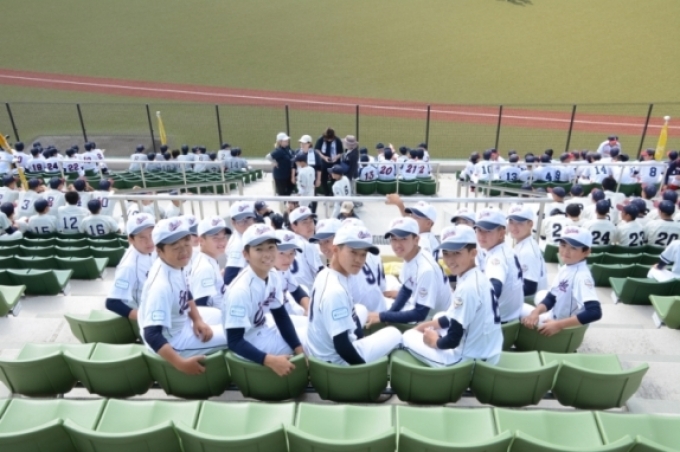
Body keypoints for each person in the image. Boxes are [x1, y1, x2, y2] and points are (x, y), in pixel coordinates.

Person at [402, 225, 503, 367]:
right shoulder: (477, 276)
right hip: (490, 354)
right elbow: (450, 317)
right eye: (446, 253)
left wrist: (435, 341)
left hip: (468, 363)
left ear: (473, 253)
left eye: (456, 253)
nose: (450, 260)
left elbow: (453, 340)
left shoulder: (467, 288)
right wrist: (424, 325)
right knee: (439, 317)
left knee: (407, 336)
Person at [139, 218, 227, 375]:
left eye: (186, 243)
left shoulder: (176, 263)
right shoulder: (161, 286)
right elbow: (151, 334)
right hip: (173, 341)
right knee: (238, 334)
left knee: (225, 316)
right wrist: (180, 364)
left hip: (180, 319)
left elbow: (186, 291)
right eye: (175, 246)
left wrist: (197, 319)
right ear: (159, 251)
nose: (184, 251)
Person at [306, 224, 403, 365]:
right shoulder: (336, 291)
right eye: (353, 252)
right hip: (337, 362)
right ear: (335, 249)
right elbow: (342, 346)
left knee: (360, 309)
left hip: (319, 351)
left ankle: (360, 342)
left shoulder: (326, 273)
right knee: (395, 333)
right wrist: (361, 369)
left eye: (363, 254)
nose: (359, 260)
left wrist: (360, 338)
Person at [224, 224, 306, 376]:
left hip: (263, 328)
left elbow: (281, 316)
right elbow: (234, 341)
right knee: (313, 340)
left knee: (311, 327)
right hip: (249, 343)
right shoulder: (240, 291)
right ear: (246, 254)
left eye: (271, 247)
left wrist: (299, 349)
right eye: (259, 249)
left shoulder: (272, 274)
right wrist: (270, 361)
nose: (267, 254)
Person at [365, 217, 449, 326]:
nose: (397, 244)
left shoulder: (426, 269)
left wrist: (382, 317)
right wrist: (389, 314)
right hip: (427, 313)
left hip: (437, 321)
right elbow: (406, 289)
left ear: (416, 240)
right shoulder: (411, 255)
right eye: (394, 239)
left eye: (403, 239)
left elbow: (420, 314)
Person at [521, 226, 602, 335]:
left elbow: (595, 312)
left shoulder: (581, 276)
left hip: (562, 328)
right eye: (563, 245)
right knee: (541, 295)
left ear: (586, 252)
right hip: (556, 316)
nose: (566, 251)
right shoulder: (568, 266)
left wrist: (558, 325)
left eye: (573, 248)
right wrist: (535, 312)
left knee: (516, 308)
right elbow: (551, 297)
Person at [474, 208, 523, 323]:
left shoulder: (496, 258)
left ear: (501, 233)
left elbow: (495, 288)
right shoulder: (507, 250)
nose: (482, 235)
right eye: (479, 230)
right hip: (511, 317)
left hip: (497, 322)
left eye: (488, 231)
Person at [105, 213, 156, 320]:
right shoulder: (129, 267)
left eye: (152, 235)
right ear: (131, 239)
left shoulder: (151, 248)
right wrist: (144, 319)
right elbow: (112, 302)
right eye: (142, 237)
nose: (149, 241)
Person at [190, 217, 231, 311]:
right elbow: (201, 308)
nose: (222, 242)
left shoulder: (210, 260)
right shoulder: (205, 267)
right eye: (215, 238)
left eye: (224, 237)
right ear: (201, 240)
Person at [507, 205, 547, 298]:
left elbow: (529, 288)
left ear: (530, 224)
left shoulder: (527, 251)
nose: (514, 227)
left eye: (520, 223)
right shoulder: (525, 243)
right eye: (511, 222)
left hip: (530, 300)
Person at [385, 195, 439, 259]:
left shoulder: (423, 241)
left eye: (416, 217)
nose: (411, 219)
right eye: (412, 216)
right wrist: (400, 204)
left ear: (428, 223)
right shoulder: (428, 237)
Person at [273, 229, 310, 316]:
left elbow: (296, 291)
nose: (288, 259)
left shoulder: (283, 269)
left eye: (291, 253)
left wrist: (309, 309)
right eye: (282, 253)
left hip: (288, 312)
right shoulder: (264, 275)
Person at [288, 206, 324, 290]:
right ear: (294, 226)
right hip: (306, 293)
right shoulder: (306, 245)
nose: (309, 225)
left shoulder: (287, 243)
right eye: (304, 222)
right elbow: (321, 273)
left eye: (311, 221)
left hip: (291, 292)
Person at [224, 201, 256, 285]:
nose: (246, 224)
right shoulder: (238, 245)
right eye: (241, 220)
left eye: (248, 218)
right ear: (233, 222)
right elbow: (228, 279)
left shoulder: (245, 236)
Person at [314, 128, 344, 196]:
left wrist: (336, 157)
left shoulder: (337, 140)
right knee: (323, 179)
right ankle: (327, 193)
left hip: (335, 164)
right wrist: (324, 157)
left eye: (331, 139)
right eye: (328, 139)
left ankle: (333, 193)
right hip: (323, 163)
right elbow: (317, 150)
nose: (329, 140)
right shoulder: (321, 139)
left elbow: (341, 152)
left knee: (335, 179)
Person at [268, 132, 295, 197]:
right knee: (282, 193)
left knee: (289, 191)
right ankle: (283, 203)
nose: (287, 141)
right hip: (281, 176)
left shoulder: (287, 149)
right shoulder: (279, 150)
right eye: (285, 141)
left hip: (288, 174)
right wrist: (274, 162)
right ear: (280, 142)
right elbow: (268, 156)